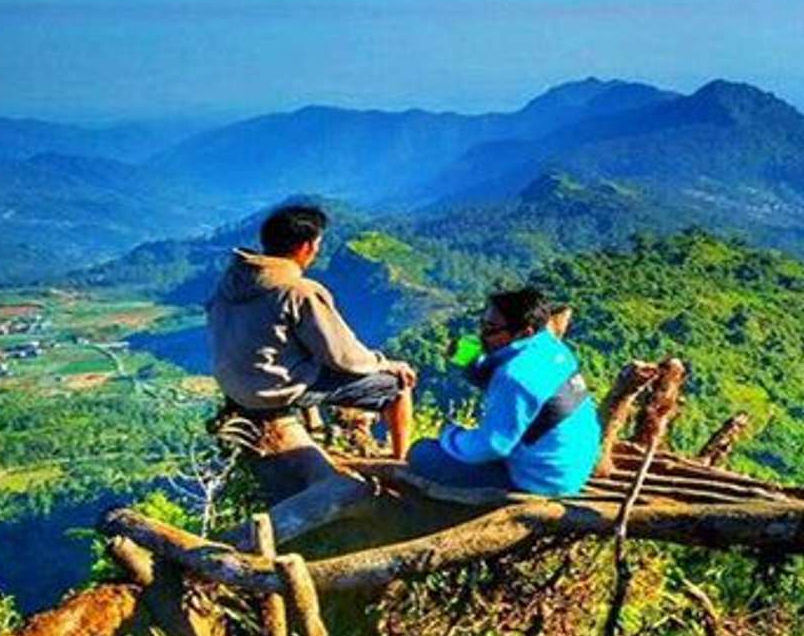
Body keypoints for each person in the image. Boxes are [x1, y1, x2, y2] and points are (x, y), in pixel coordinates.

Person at [207, 204, 416, 458]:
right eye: (317, 244)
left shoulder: (232, 281)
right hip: (273, 389)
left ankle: (314, 430)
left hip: (236, 386)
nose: (317, 251)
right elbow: (343, 357)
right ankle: (401, 461)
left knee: (305, 355)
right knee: (397, 387)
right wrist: (384, 363)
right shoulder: (298, 291)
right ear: (306, 247)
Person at [408, 287, 599, 496]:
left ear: (524, 332)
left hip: (538, 481)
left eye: (491, 329)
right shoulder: (555, 350)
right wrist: (479, 366)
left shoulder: (515, 376)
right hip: (568, 470)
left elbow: (493, 446)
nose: (482, 335)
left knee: (422, 452)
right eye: (482, 324)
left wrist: (451, 434)